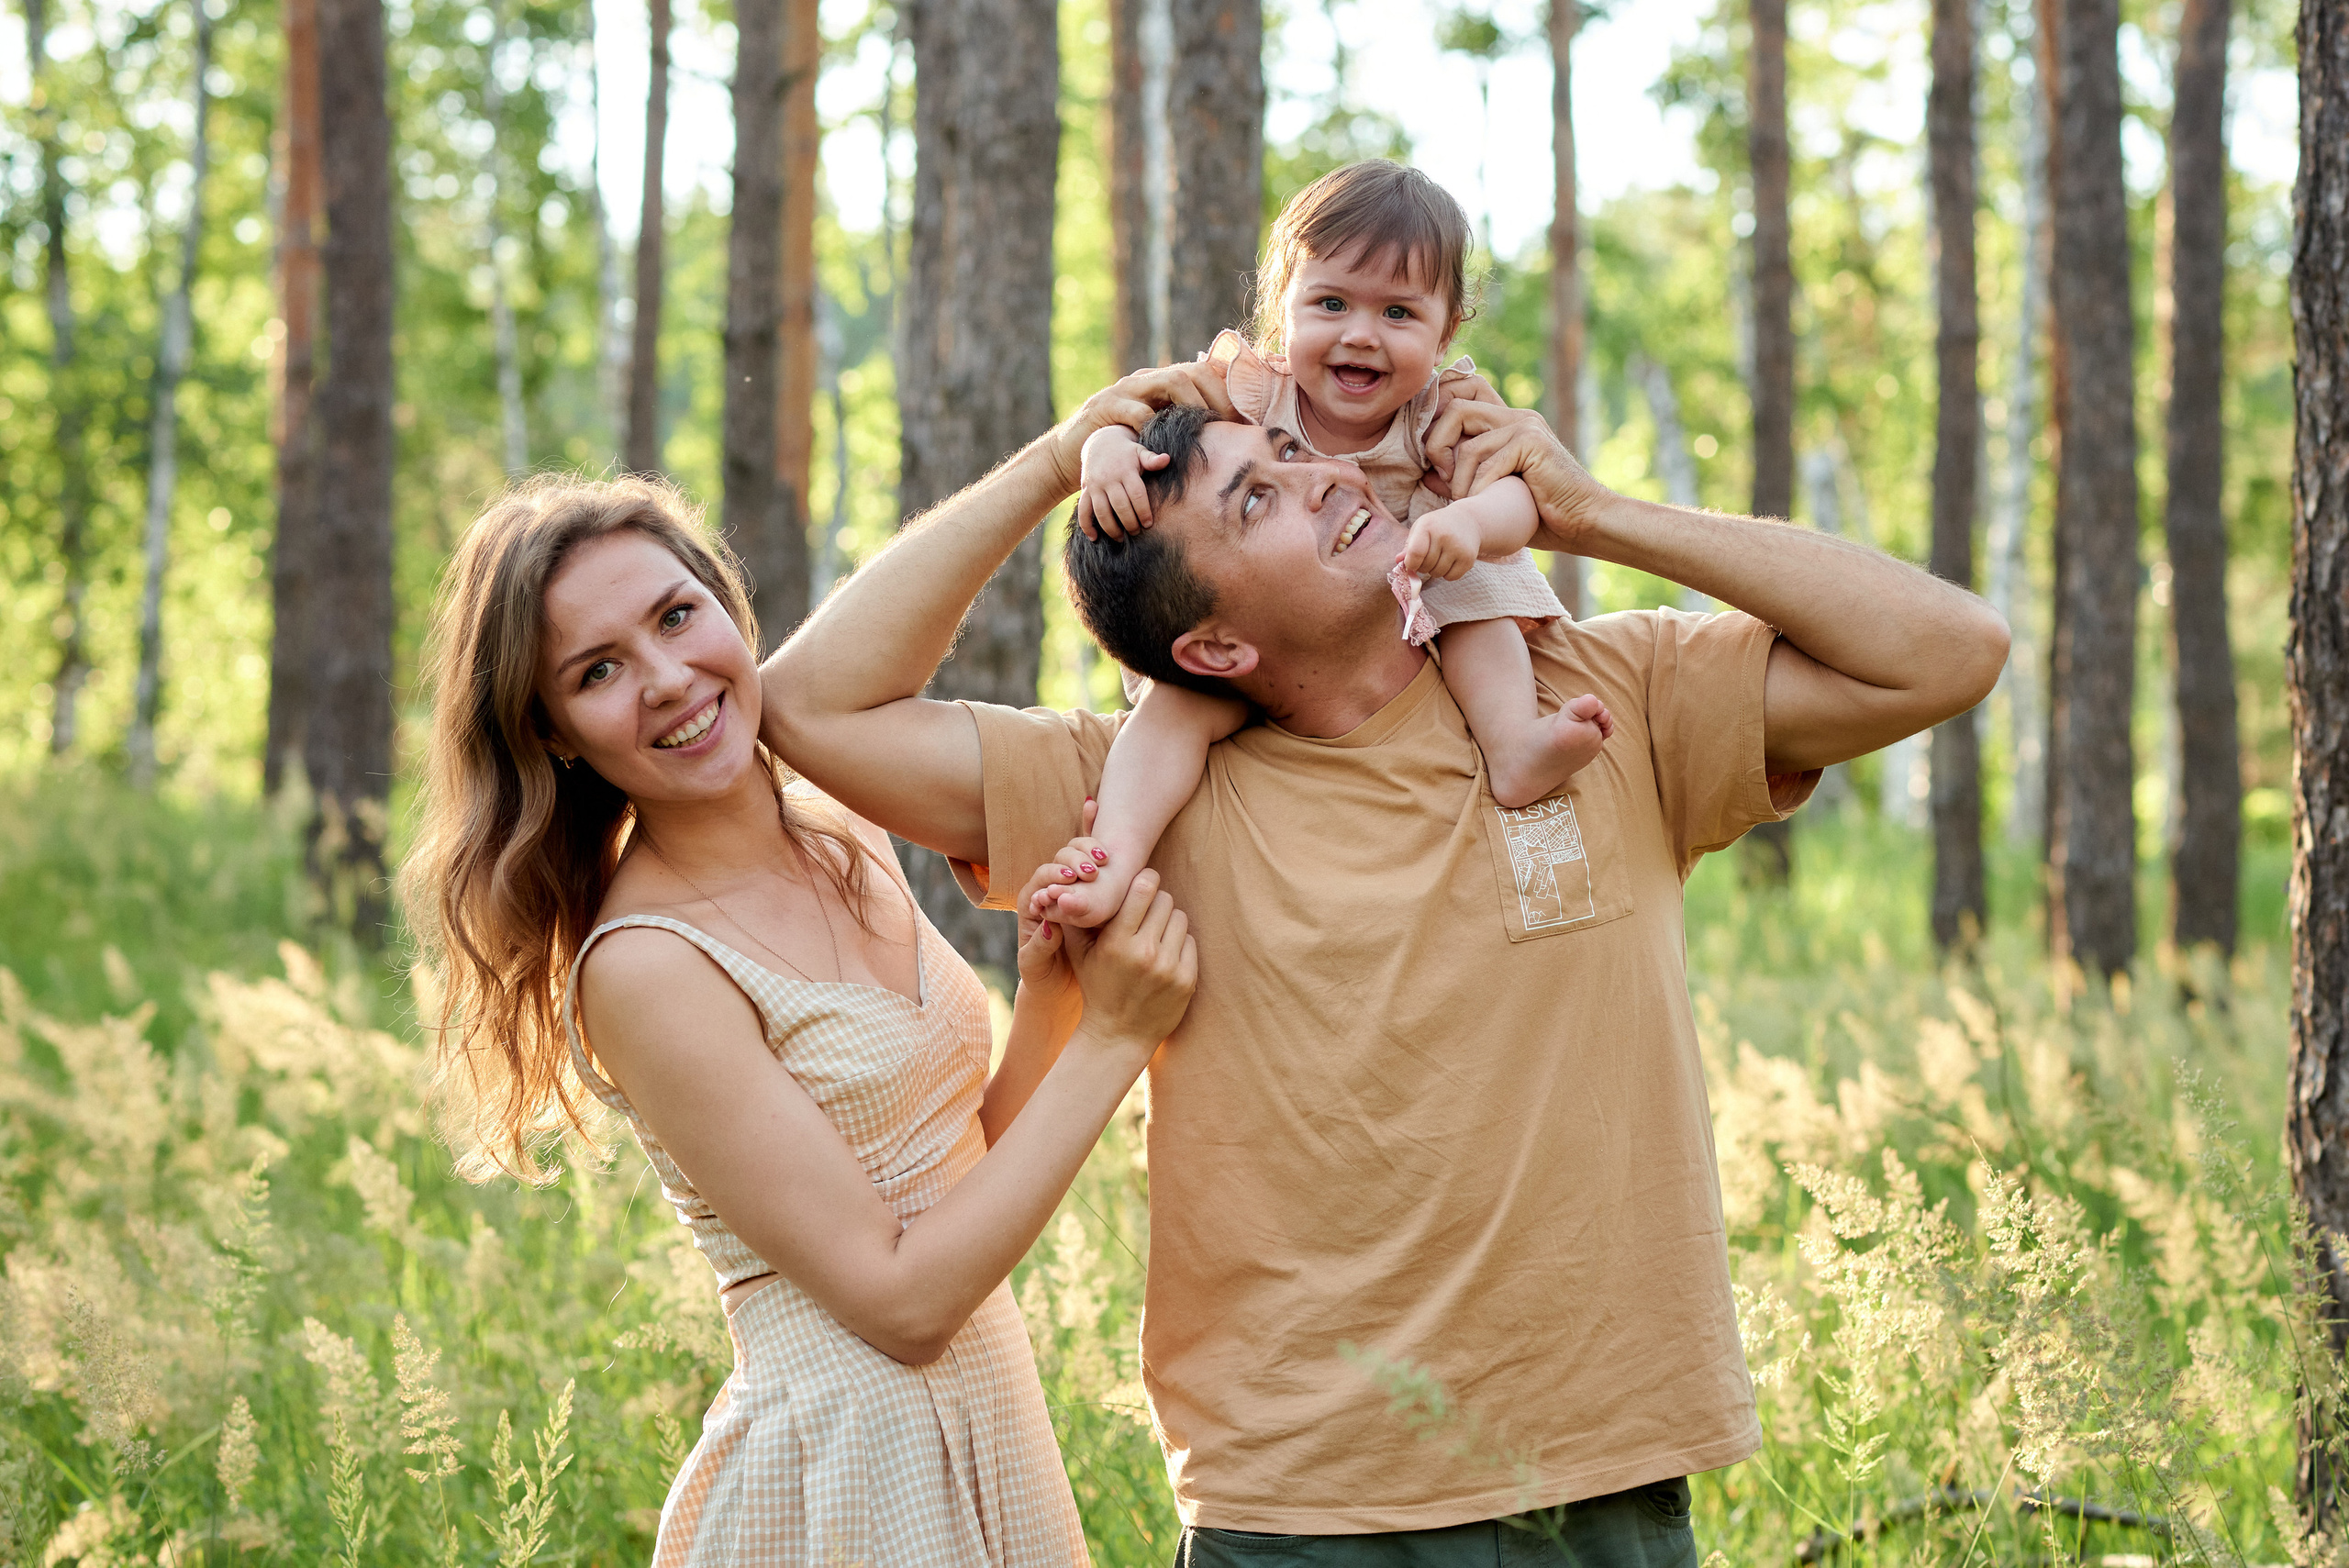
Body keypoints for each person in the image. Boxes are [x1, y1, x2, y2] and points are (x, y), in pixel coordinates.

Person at [761, 357, 2007, 1564]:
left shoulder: (1599, 695)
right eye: (1257, 498)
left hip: (1593, 1481)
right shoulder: (1134, 793)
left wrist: (1597, 514)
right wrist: (1051, 460)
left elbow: (1952, 650)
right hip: (1300, 1510)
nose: (1324, 481)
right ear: (1213, 649)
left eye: (1293, 457)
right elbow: (811, 707)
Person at [399, 475, 1199, 1567]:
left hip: (989, 1435)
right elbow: (906, 1304)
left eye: (678, 615)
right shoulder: (646, 966)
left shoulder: (833, 822)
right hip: (845, 1482)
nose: (670, 678)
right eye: (599, 671)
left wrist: (1054, 998)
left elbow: (958, 1189)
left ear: (726, 604)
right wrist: (1112, 1040)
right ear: (555, 734)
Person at [1054, 161, 1611, 927]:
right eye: (1331, 302)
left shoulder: (1440, 413)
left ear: (1446, 331)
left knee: (1480, 595)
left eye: (1399, 314)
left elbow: (1521, 494)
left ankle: (1512, 745)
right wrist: (1105, 451)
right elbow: (1142, 408)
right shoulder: (1251, 388)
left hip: (1429, 567)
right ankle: (1114, 852)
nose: (1360, 334)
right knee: (1175, 710)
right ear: (1283, 308)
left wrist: (1470, 525)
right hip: (1271, 624)